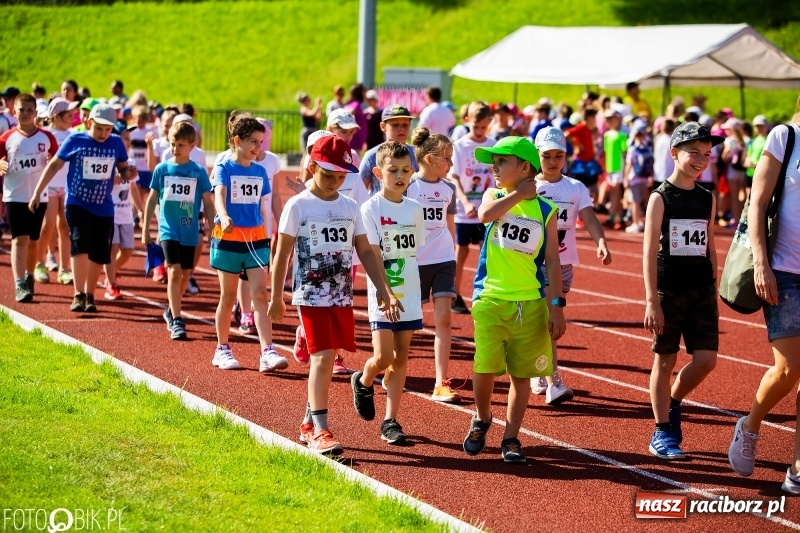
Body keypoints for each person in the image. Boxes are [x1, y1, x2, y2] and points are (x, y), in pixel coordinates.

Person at [269, 134, 400, 455]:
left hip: (340, 296)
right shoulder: (298, 205)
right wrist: (275, 296)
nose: (334, 182)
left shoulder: (350, 206)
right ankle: (321, 430)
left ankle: (307, 421)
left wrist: (384, 289)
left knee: (325, 361)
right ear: (311, 167)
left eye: (341, 176)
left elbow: (366, 252)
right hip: (309, 295)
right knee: (325, 358)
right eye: (328, 174)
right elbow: (282, 252)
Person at [462, 136, 566, 463]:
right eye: (492, 160)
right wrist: (518, 194)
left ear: (523, 166)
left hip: (530, 303)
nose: (493, 166)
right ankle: (482, 417)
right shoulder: (494, 194)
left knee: (521, 376)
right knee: (484, 370)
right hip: (491, 297)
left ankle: (511, 437)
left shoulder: (547, 209)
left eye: (501, 161)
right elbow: (485, 215)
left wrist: (557, 307)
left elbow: (551, 260)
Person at [727, 111, 800, 493]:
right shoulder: (784, 137)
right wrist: (761, 263)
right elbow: (757, 204)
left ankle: (798, 466)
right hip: (784, 269)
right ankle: (751, 424)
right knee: (789, 369)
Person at [643, 121, 723, 460]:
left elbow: (711, 245)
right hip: (669, 290)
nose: (701, 160)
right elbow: (648, 251)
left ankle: (673, 401)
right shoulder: (661, 197)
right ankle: (662, 431)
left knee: (706, 360)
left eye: (706, 154)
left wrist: (715, 286)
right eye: (694, 153)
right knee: (665, 360)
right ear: (674, 153)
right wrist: (651, 301)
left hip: (701, 290)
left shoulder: (707, 198)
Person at [351, 141, 425, 444]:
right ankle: (364, 379)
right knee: (383, 356)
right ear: (379, 172)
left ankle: (391, 420)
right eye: (393, 170)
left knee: (401, 357)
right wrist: (387, 292)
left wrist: (402, 293)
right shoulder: (370, 208)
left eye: (406, 170)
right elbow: (375, 254)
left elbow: (413, 251)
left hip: (409, 290)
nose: (400, 176)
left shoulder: (415, 209)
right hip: (383, 291)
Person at [531, 126, 612, 404]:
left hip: (564, 265)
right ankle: (554, 381)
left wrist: (600, 241)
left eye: (559, 155)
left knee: (548, 323)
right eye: (547, 156)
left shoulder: (575, 187)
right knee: (551, 318)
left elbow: (588, 217)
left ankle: (538, 369)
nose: (553, 161)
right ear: (537, 156)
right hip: (537, 264)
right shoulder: (530, 187)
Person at [30, 104, 130, 312]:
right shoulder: (76, 140)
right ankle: (78, 294)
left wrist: (128, 173)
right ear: (89, 122)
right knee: (79, 244)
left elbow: (122, 168)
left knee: (99, 253)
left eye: (107, 129)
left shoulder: (116, 143)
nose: (103, 134)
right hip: (77, 202)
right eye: (99, 128)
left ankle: (90, 294)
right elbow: (54, 165)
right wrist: (38, 191)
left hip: (103, 206)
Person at [210, 116, 288, 372]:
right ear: (237, 141)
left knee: (259, 294)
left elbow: (262, 207)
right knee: (229, 295)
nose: (258, 147)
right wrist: (223, 216)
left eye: (261, 141)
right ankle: (222, 348)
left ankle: (267, 350)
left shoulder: (260, 171)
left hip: (256, 240)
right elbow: (219, 196)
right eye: (253, 142)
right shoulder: (224, 168)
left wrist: (269, 231)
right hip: (229, 239)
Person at [143, 121, 215, 340]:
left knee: (185, 273)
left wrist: (212, 228)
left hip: (190, 229)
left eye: (181, 145)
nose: (175, 149)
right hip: (168, 228)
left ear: (191, 146)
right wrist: (146, 227)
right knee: (173, 272)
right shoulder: (162, 169)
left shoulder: (198, 172)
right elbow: (152, 199)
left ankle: (170, 310)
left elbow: (208, 203)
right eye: (173, 144)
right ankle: (177, 319)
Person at [405, 128, 461, 403]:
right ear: (429, 159)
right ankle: (394, 370)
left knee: (444, 319)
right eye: (447, 159)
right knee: (406, 323)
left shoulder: (448, 189)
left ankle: (441, 381)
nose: (451, 164)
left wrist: (453, 253)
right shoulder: (408, 186)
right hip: (413, 261)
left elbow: (448, 225)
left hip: (442, 258)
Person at [0, 93, 58, 302]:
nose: (25, 113)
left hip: (38, 196)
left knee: (34, 241)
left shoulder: (46, 137)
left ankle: (29, 276)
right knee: (19, 239)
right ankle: (19, 284)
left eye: (29, 110)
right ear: (14, 112)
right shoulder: (6, 138)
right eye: (21, 110)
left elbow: (57, 159)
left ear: (35, 113)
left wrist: (52, 159)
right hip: (14, 195)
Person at [447, 101, 494, 314]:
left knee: (490, 252)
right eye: (476, 127)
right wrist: (465, 202)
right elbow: (454, 177)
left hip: (488, 209)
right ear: (467, 121)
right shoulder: (460, 145)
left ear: (490, 124)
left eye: (483, 127)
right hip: (464, 210)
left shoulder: (493, 145)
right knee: (462, 251)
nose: (479, 132)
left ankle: (487, 293)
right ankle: (454, 295)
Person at [34, 98, 80, 286]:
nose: (73, 117)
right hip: (49, 186)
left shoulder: (72, 135)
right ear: (57, 116)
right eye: (69, 115)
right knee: (48, 226)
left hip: (68, 187)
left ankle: (64, 269)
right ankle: (39, 263)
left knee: (66, 228)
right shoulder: (46, 135)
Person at [102, 121, 142, 300]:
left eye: (129, 139)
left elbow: (133, 188)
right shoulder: (108, 160)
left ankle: (111, 270)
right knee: (113, 247)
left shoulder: (131, 161)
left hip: (125, 212)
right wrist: (118, 177)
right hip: (109, 211)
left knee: (127, 250)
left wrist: (140, 210)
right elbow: (104, 183)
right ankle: (112, 284)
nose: (128, 142)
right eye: (124, 138)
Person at [358, 105, 419, 197]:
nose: (401, 128)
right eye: (395, 125)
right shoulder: (372, 155)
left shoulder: (417, 154)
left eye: (405, 125)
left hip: (409, 208)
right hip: (380, 209)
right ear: (383, 126)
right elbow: (360, 189)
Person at [603, 110, 627, 230]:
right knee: (614, 193)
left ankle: (613, 217)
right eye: (608, 119)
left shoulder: (622, 135)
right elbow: (606, 152)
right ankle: (620, 217)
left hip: (619, 168)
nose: (609, 121)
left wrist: (625, 170)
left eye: (612, 118)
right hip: (610, 168)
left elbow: (624, 153)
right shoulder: (607, 135)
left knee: (616, 192)